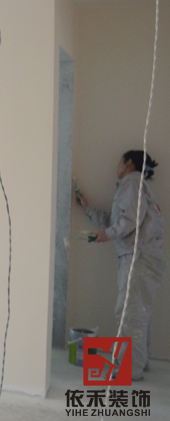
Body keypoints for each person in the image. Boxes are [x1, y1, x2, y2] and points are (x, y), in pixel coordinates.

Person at [76, 150, 165, 380]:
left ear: (128, 163)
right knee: (139, 312)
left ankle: (131, 370)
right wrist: (88, 209)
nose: (117, 166)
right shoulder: (137, 186)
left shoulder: (131, 183)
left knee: (130, 313)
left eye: (119, 161)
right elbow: (117, 221)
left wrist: (107, 235)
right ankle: (139, 364)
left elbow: (128, 221)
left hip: (138, 257)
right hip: (143, 257)